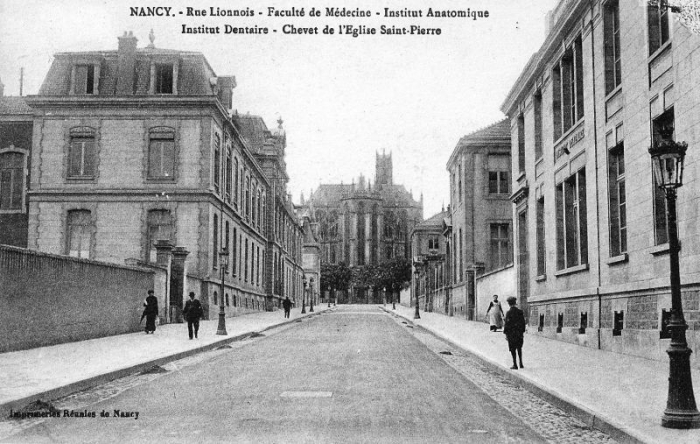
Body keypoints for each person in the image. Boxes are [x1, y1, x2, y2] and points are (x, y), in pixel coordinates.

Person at [503, 296, 526, 370]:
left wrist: (506, 334)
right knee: (519, 348)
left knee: (513, 349)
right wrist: (522, 332)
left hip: (511, 334)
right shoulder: (520, 312)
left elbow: (507, 324)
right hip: (519, 333)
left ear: (509, 304)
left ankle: (515, 364)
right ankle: (521, 363)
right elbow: (523, 323)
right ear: (515, 303)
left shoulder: (508, 313)